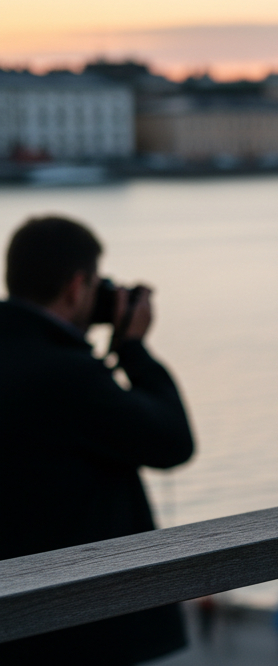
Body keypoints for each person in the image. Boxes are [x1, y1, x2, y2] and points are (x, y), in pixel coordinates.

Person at [0, 215, 194, 665]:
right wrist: (133, 350)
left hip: (20, 623)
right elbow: (172, 442)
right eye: (96, 285)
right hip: (96, 626)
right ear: (76, 286)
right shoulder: (68, 375)